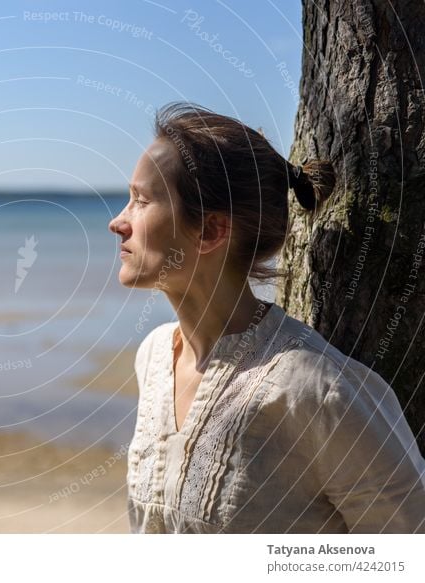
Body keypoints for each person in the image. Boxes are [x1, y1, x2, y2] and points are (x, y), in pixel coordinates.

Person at [108, 102, 425, 533]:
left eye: (141, 201)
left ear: (212, 231)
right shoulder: (153, 359)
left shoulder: (316, 390)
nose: (117, 222)